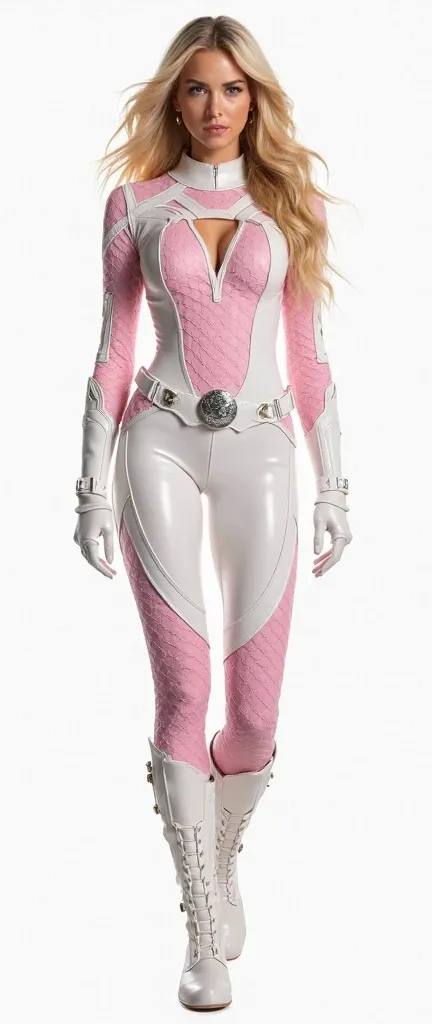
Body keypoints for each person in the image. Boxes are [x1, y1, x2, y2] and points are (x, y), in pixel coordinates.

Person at [73, 14, 352, 1011]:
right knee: (185, 691)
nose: (215, 107)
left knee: (258, 714)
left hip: (264, 451)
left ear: (255, 99)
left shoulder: (291, 205)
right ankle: (200, 923)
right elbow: (114, 349)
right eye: (196, 88)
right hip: (157, 441)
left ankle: (221, 850)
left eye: (233, 89)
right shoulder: (136, 204)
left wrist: (335, 483)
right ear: (175, 99)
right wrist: (89, 487)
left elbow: (310, 356)